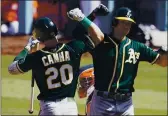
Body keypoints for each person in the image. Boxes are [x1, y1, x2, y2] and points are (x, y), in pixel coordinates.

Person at [8, 4, 109, 115]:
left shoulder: (36, 57)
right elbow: (81, 33)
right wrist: (92, 15)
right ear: (56, 31)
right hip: (70, 108)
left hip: (49, 108)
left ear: (39, 36)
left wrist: (27, 48)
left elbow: (13, 68)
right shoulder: (73, 48)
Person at [67, 6, 168, 115]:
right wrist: (87, 16)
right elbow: (81, 33)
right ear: (115, 23)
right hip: (102, 101)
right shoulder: (101, 43)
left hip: (126, 103)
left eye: (129, 23)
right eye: (123, 22)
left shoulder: (137, 47)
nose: (126, 26)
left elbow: (162, 62)